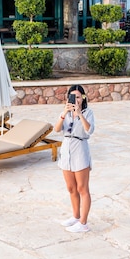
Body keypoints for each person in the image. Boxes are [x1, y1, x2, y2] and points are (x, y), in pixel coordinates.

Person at [54, 84, 95, 233]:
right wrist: (64, 113)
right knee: (71, 188)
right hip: (67, 150)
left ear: (83, 98)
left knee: (82, 188)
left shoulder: (88, 112)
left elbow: (89, 130)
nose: (75, 99)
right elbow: (57, 129)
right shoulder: (65, 113)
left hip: (80, 150)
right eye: (73, 97)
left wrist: (80, 114)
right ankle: (76, 216)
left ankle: (83, 223)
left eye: (78, 97)